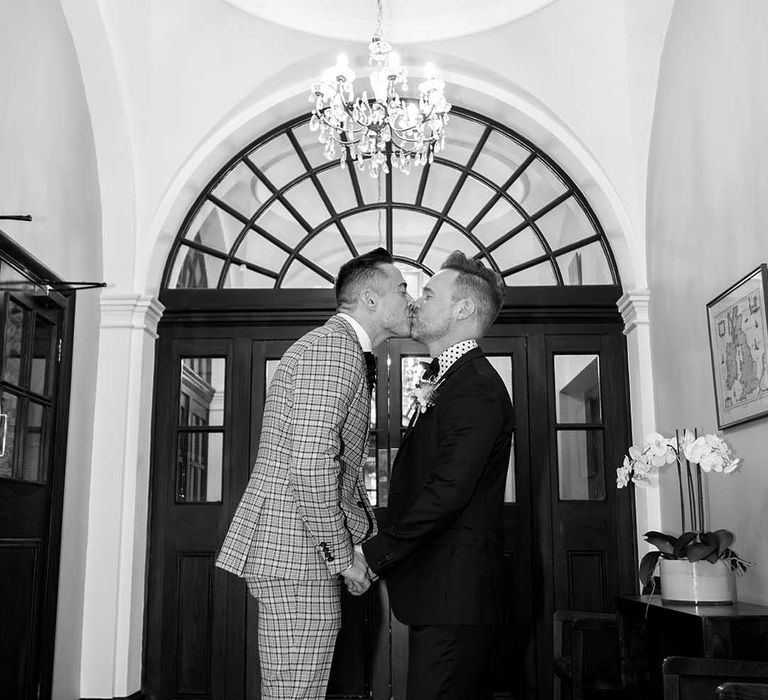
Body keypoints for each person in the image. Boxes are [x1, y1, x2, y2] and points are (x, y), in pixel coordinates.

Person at [216, 247, 412, 699]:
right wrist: (343, 557)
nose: (410, 299)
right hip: (296, 556)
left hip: (300, 552)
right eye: (401, 289)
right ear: (370, 300)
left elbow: (329, 466)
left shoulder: (339, 349)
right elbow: (311, 461)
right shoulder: (331, 350)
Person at [359, 250, 513, 700]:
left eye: (428, 294)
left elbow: (446, 492)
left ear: (462, 309)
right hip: (440, 591)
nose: (415, 302)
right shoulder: (452, 379)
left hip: (457, 596)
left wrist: (371, 555)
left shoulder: (477, 386)